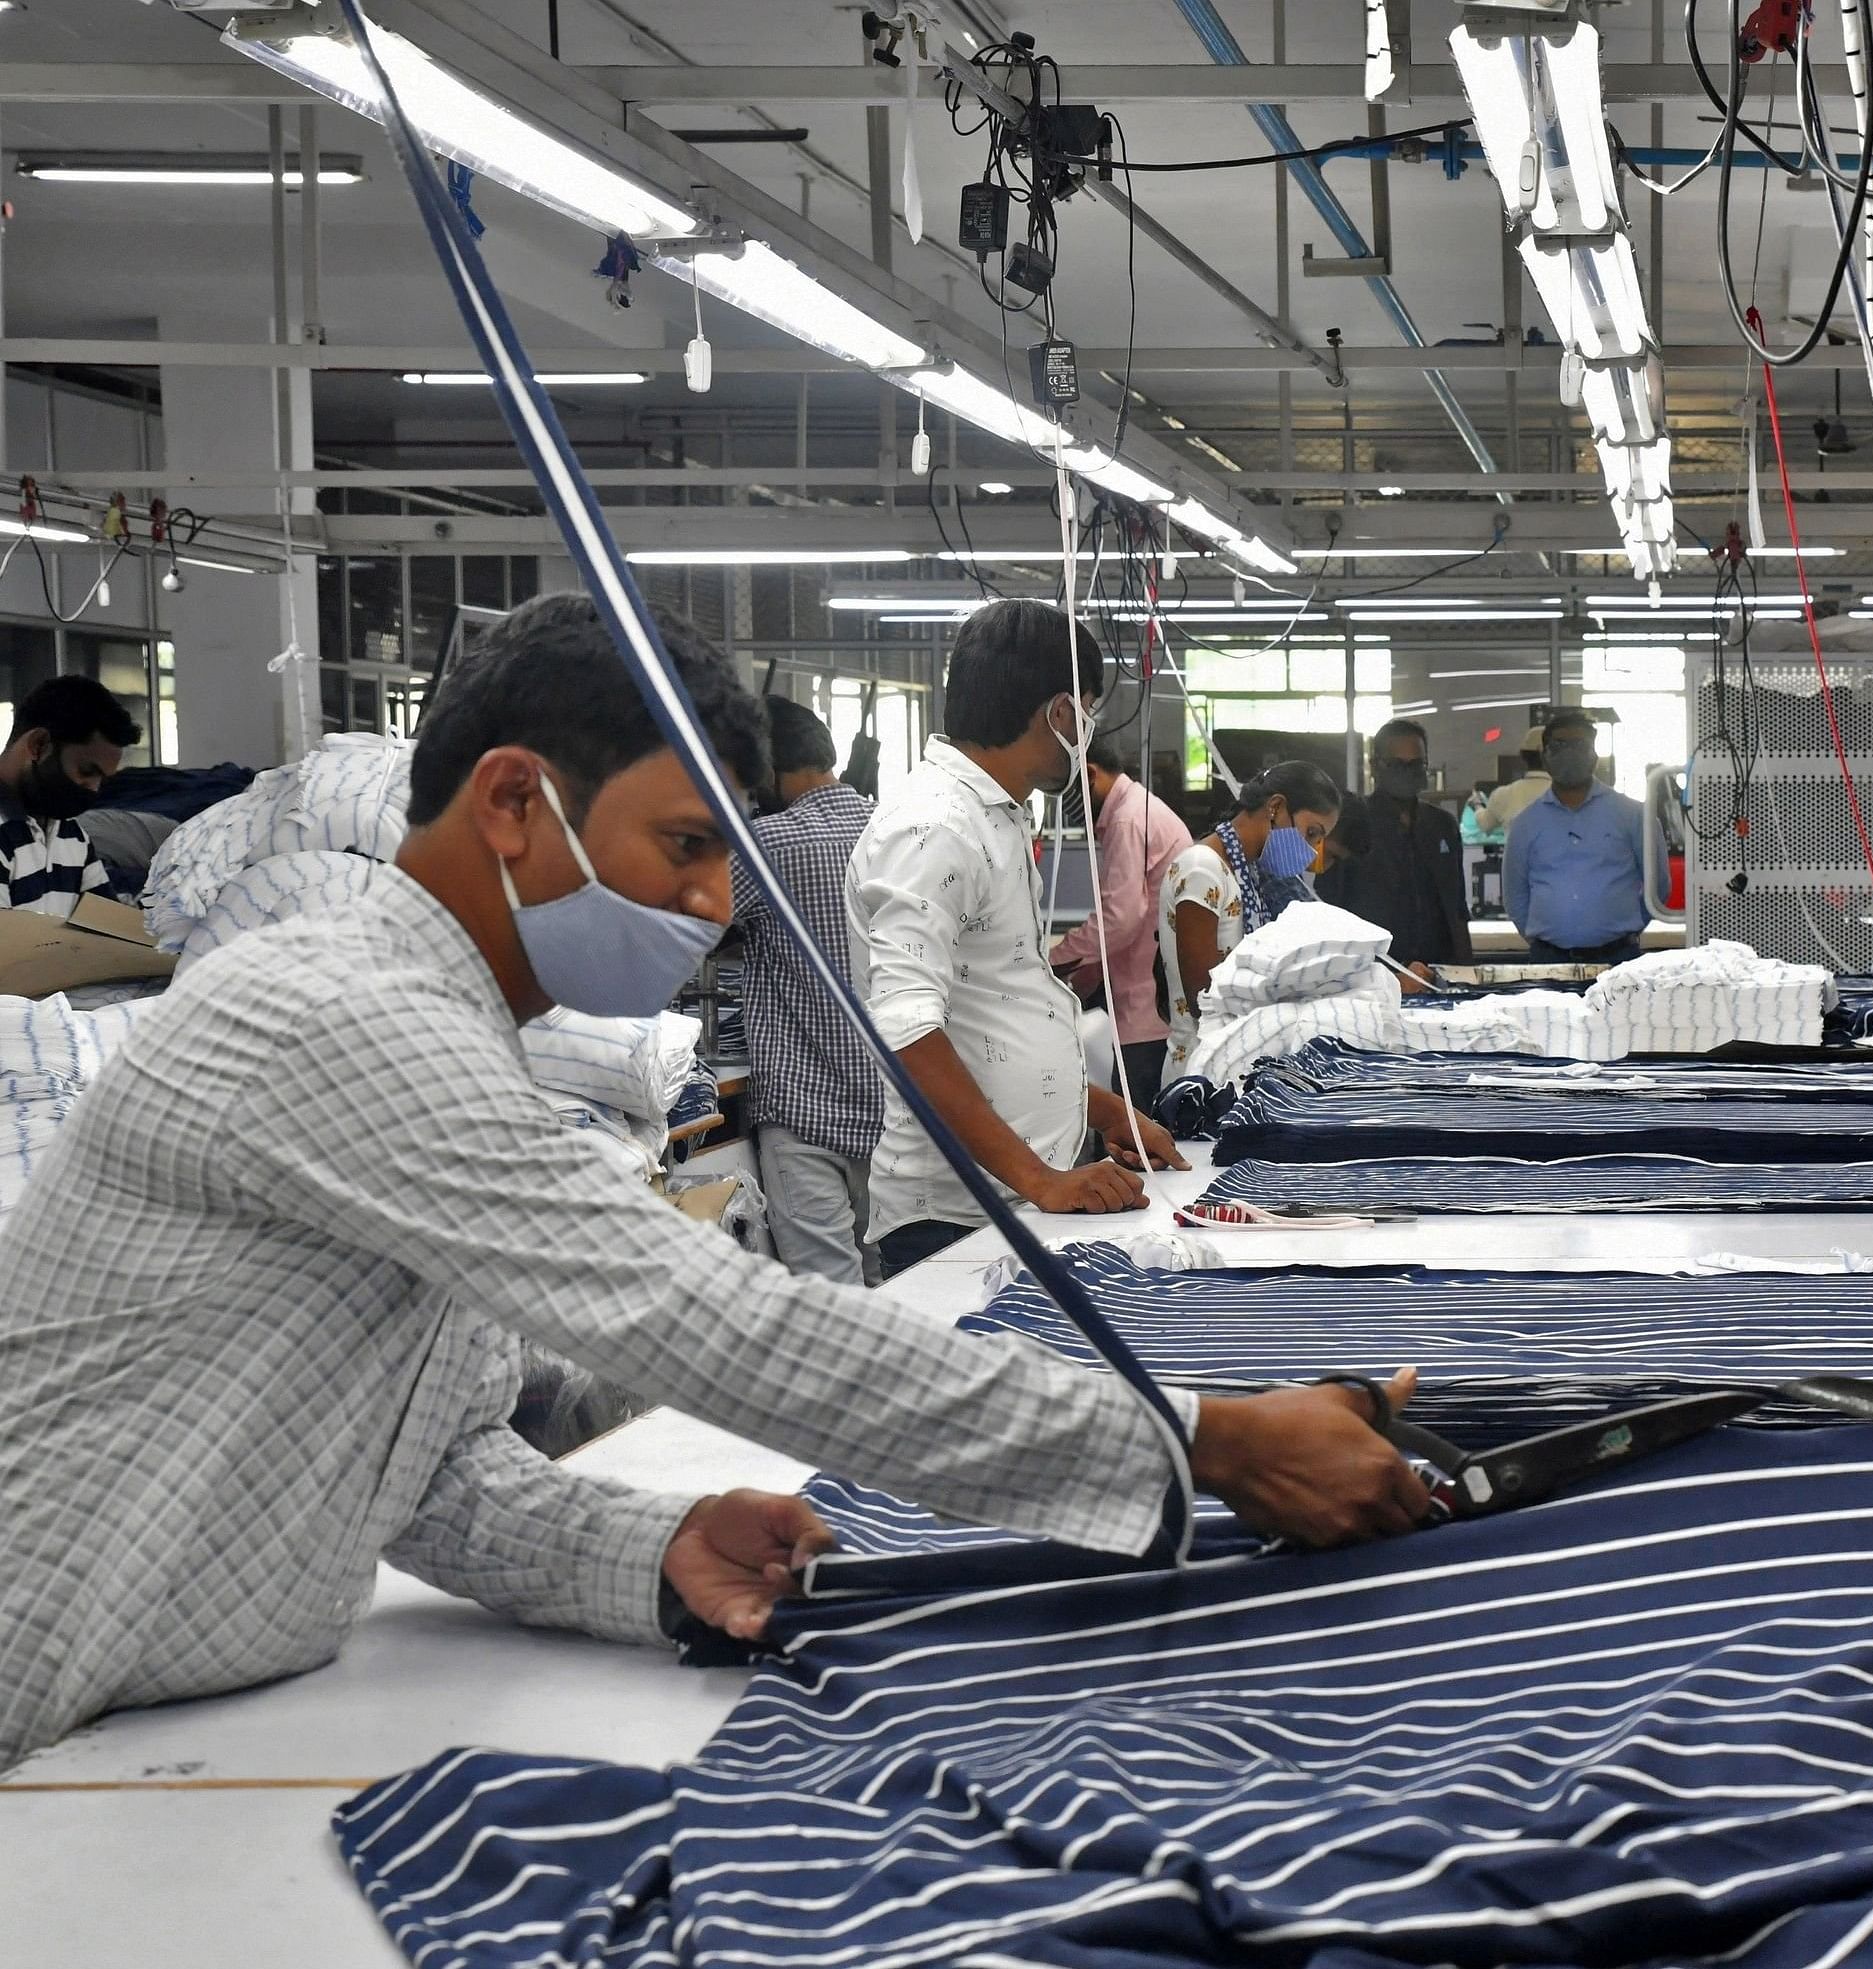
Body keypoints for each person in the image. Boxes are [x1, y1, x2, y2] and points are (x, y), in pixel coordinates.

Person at [0, 593, 1429, 1770]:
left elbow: (421, 1470)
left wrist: (646, 1550)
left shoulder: (459, 1054)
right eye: (685, 847)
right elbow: (705, 1317)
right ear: (514, 803)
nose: (715, 904)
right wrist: (1203, 1447)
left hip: (152, 1753)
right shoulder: (332, 1013)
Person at [850, 601, 1180, 1279]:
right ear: (1060, 714)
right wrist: (1041, 1179)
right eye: (1086, 710)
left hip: (1012, 1199)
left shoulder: (993, 816)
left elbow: (997, 1003)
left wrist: (1103, 1109)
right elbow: (906, 1027)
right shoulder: (934, 825)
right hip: (958, 1216)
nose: (1087, 730)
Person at [729, 699, 886, 1282]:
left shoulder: (766, 844)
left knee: (830, 1307)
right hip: (897, 1117)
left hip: (804, 1115)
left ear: (766, 771)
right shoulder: (895, 829)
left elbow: (684, 929)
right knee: (898, 1294)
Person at [1048, 734, 1196, 1112]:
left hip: (1145, 1009)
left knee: (1137, 1128)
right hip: (1150, 1000)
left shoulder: (1128, 820)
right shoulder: (1134, 809)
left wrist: (1052, 959)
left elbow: (1120, 919)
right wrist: (1082, 975)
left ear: (1090, 775)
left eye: (1064, 789)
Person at [1163, 762, 1342, 1064]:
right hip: (1203, 1068)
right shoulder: (1201, 868)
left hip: (1238, 1057)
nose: (1312, 851)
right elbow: (1201, 999)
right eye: (1311, 833)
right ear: (1276, 807)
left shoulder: (1247, 872)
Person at [1319, 717, 1472, 967]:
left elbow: (1456, 907)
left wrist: (1467, 970)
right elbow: (1328, 904)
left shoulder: (1442, 825)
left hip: (1438, 967)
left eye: (1416, 765)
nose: (1407, 772)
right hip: (1372, 968)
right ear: (1375, 765)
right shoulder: (1352, 822)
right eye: (1396, 764)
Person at [1502, 707, 1648, 962]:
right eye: (1558, 746)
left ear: (1594, 755)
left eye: (1579, 745)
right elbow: (1515, 896)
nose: (1569, 754)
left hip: (1618, 958)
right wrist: (1550, 941)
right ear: (1544, 756)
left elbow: (1658, 887)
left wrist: (1628, 929)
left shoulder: (1632, 815)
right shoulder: (1525, 824)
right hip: (1548, 960)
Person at [0, 674, 136, 915]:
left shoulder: (71, 834)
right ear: (39, 745)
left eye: (102, 779)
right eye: (86, 771)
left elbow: (109, 929)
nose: (93, 788)